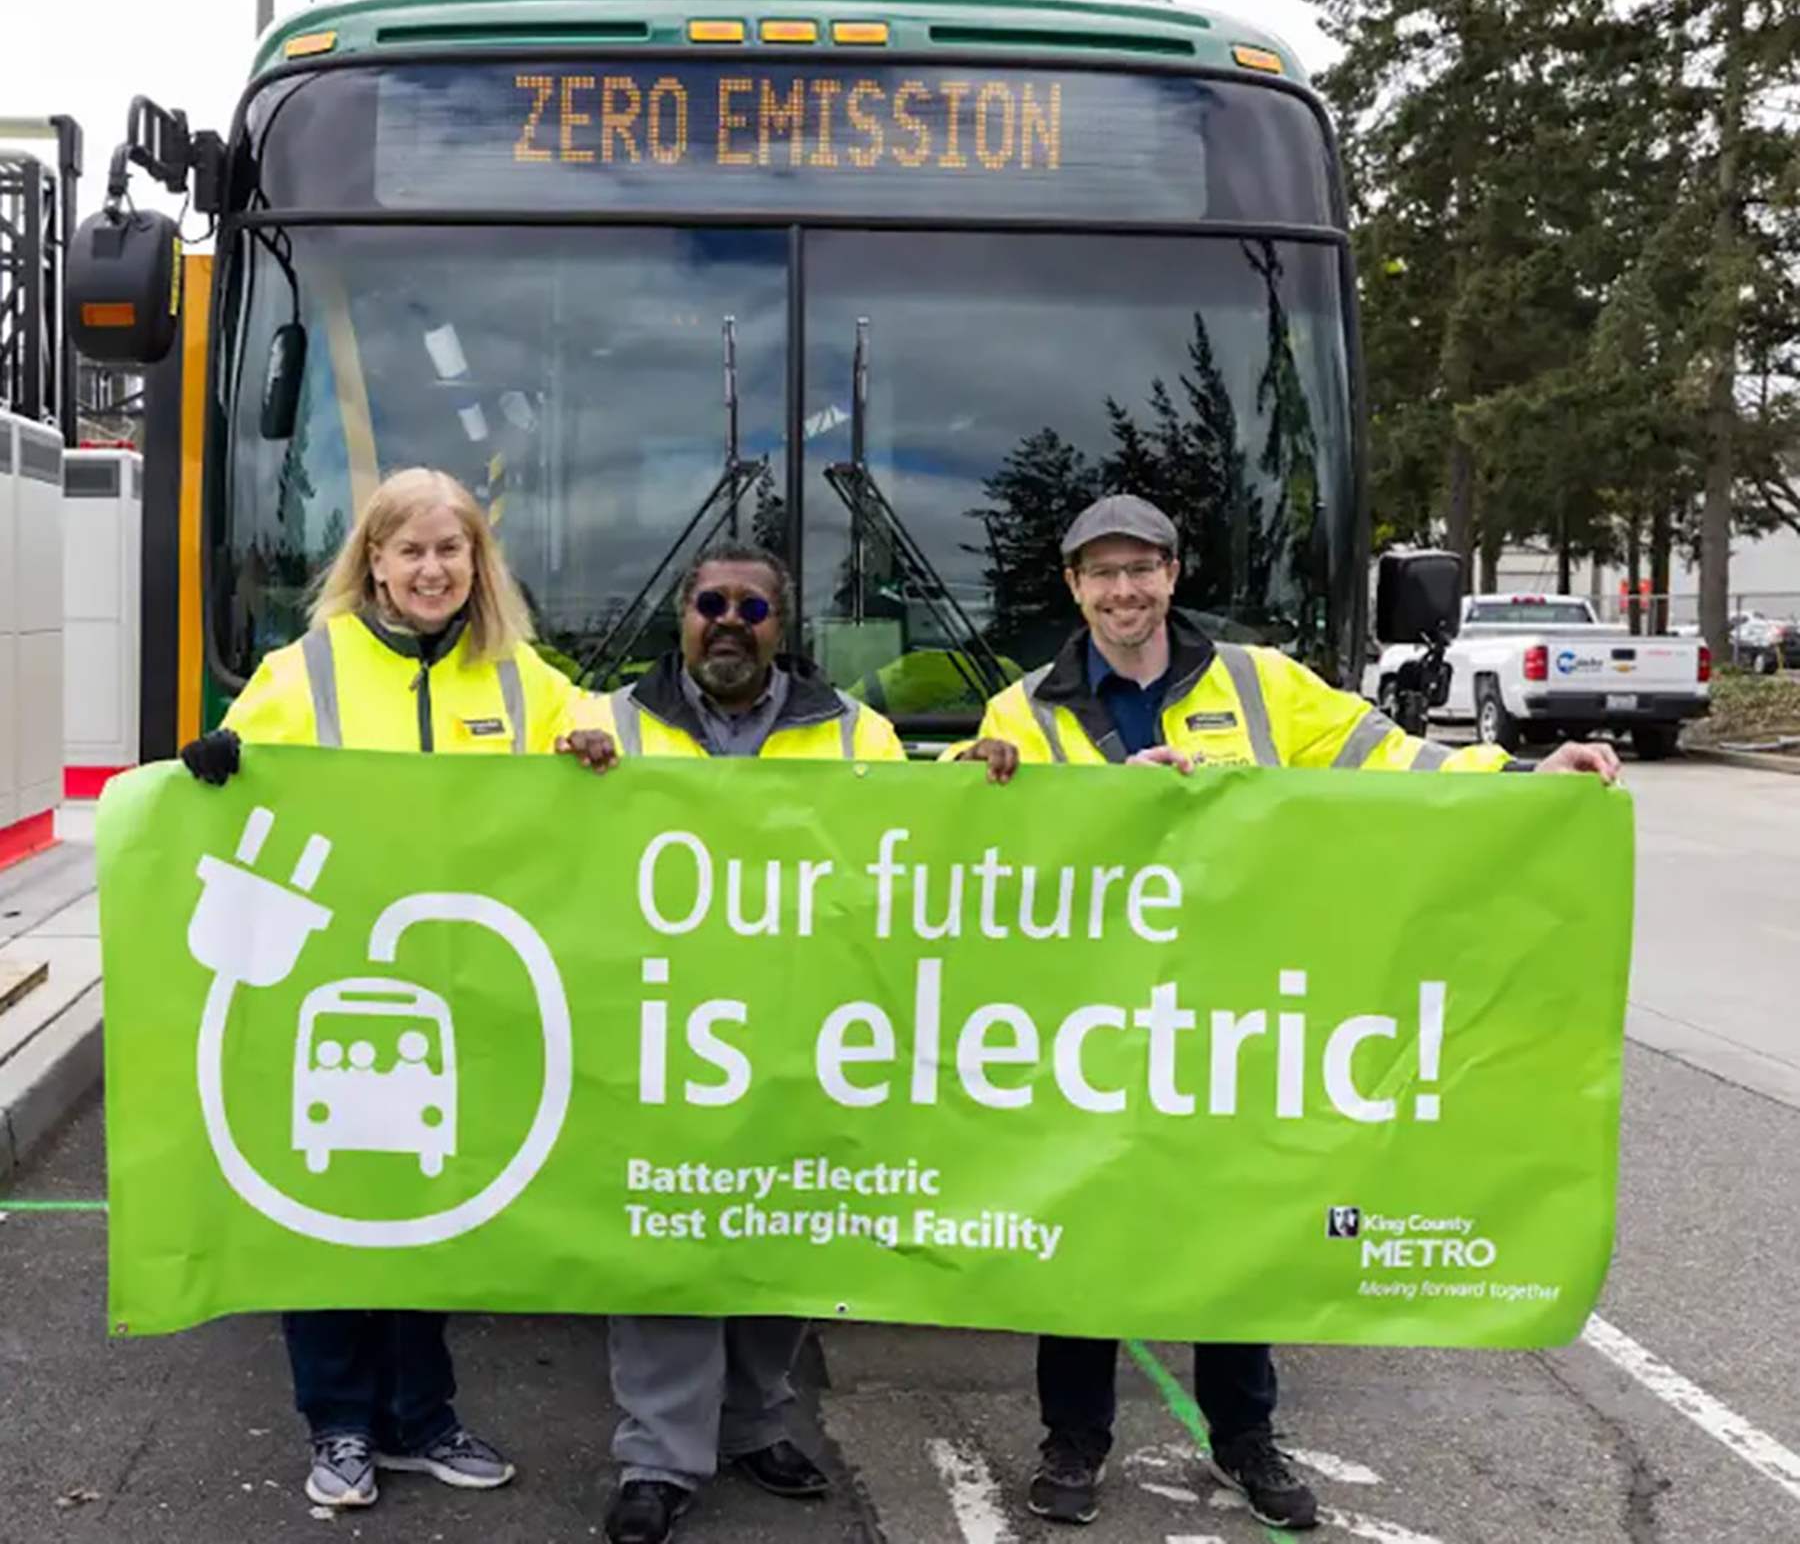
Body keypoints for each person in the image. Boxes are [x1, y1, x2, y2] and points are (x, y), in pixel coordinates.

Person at [953, 493, 1619, 1531]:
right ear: (1074, 585)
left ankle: (1244, 1437)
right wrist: (1052, 792)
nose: (1124, 590)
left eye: (1142, 568)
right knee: (1080, 1232)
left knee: (1237, 1229)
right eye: (1102, 572)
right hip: (1088, 1023)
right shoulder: (1023, 709)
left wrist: (1532, 773)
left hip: (1235, 1015)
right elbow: (962, 828)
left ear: (1172, 574)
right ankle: (1073, 1441)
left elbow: (1398, 763)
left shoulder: (1261, 683)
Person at [177, 466, 619, 1511]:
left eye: (450, 549)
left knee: (430, 1210)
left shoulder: (522, 677)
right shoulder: (307, 669)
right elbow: (234, 790)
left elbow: (603, 743)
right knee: (328, 1213)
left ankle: (421, 1418)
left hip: (462, 993)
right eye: (410, 549)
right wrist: (215, 763)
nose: (431, 568)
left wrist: (597, 744)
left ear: (478, 562)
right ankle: (338, 1424)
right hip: (325, 988)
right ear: (371, 559)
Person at [580, 540, 907, 1544]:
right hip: (657, 1028)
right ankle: (658, 1458)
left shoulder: (860, 731)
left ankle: (758, 1420)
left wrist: (985, 787)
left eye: (754, 608)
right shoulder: (601, 726)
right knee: (666, 1239)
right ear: (681, 613)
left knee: (781, 1226)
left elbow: (911, 865)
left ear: (783, 626)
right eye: (712, 602)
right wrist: (561, 773)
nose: (731, 620)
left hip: (801, 1025)